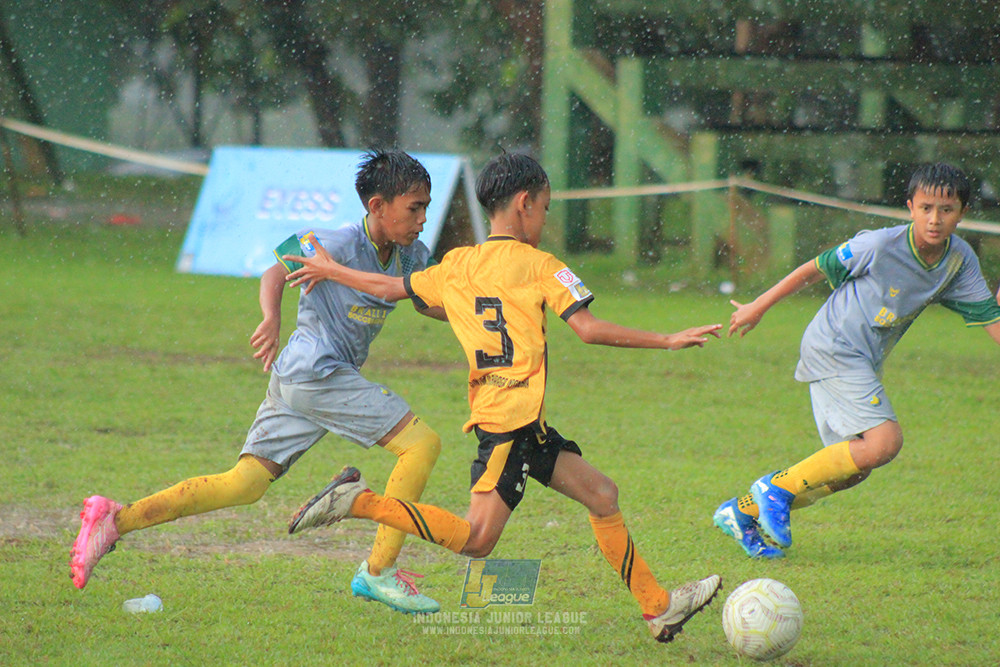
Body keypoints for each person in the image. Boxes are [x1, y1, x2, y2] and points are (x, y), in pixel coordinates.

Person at [280, 152, 724, 643]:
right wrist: (667, 339)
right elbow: (589, 329)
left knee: (602, 495)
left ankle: (658, 608)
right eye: (545, 208)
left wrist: (332, 270)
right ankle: (358, 501)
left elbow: (387, 288)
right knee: (477, 540)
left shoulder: (457, 264)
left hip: (520, 421)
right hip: (510, 422)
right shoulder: (541, 265)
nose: (545, 219)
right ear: (524, 202)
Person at [71, 149, 447, 614]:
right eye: (415, 208)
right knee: (421, 445)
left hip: (302, 378)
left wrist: (476, 308)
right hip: (316, 372)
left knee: (244, 484)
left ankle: (115, 520)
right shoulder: (333, 242)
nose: (423, 219)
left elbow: (429, 301)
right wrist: (271, 317)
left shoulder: (412, 255)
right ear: (376, 206)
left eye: (426, 207)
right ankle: (379, 572)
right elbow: (275, 270)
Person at [713, 162, 1000, 559]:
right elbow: (814, 269)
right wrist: (758, 306)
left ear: (962, 212)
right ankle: (774, 489)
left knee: (854, 470)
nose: (935, 219)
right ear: (910, 207)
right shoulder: (880, 245)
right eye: (926, 208)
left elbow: (989, 318)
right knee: (885, 442)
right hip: (834, 346)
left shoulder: (959, 260)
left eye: (946, 210)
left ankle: (742, 512)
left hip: (861, 359)